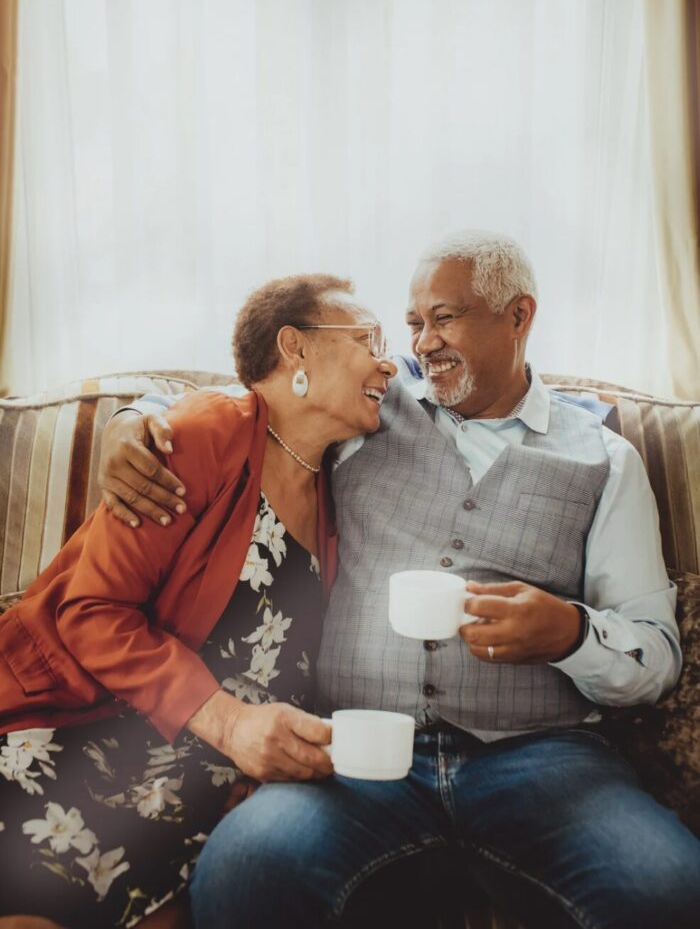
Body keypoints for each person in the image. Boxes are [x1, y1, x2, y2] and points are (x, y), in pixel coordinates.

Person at [98, 233, 700, 929]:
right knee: (244, 868)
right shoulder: (368, 407)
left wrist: (570, 633)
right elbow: (255, 396)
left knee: (669, 889)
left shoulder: (604, 457)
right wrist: (132, 419)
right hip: (355, 752)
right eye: (414, 323)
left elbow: (656, 656)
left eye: (445, 318)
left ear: (519, 316)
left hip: (543, 760)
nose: (422, 342)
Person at [0, 274, 397, 928]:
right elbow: (92, 612)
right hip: (86, 727)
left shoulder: (337, 482)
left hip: (205, 775)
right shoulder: (202, 434)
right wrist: (231, 724)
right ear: (295, 347)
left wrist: (271, 756)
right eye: (368, 339)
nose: (389, 363)